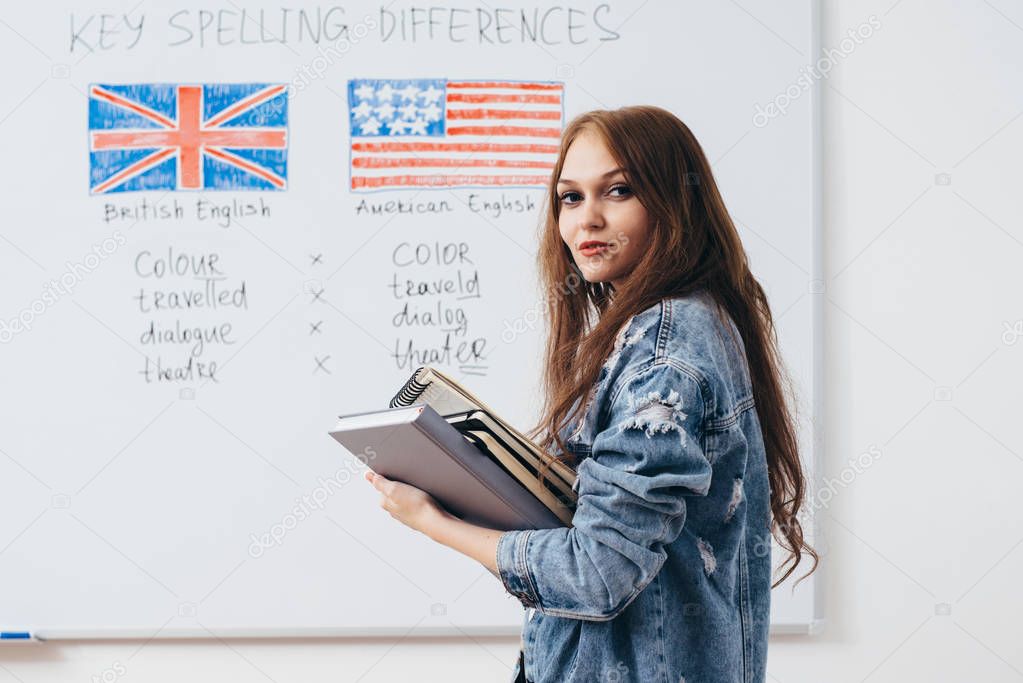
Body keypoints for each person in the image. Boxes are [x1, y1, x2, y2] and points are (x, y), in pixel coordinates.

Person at [364, 105, 819, 683]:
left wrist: (432, 520)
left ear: (676, 204)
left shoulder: (663, 352)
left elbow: (597, 573)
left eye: (619, 190)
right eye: (570, 198)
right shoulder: (681, 325)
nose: (588, 220)